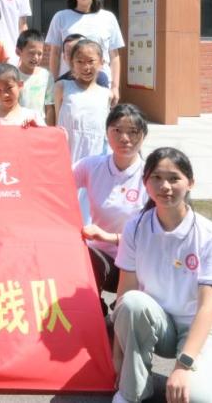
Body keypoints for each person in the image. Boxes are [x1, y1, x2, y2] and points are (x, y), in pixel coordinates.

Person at [113, 148, 212, 403]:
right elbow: (125, 294)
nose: (165, 186)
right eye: (156, 178)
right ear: (145, 182)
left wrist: (183, 366)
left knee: (200, 399)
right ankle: (132, 391)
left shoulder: (211, 235)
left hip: (203, 328)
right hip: (162, 324)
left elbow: (207, 308)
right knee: (133, 302)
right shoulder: (135, 228)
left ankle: (192, 374)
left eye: (174, 178)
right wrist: (118, 355)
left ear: (190, 183)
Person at [74, 103, 149, 316]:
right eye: (117, 130)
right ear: (107, 133)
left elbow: (152, 234)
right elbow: (56, 184)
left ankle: (123, 312)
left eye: (133, 131)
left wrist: (108, 237)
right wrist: (44, 136)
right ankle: (94, 311)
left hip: (138, 263)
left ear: (143, 136)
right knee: (82, 258)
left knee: (127, 314)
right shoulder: (90, 166)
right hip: (101, 258)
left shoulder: (151, 176)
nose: (125, 138)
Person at [46, 0, 125, 104]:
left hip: (100, 82)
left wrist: (115, 87)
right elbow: (55, 54)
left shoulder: (108, 17)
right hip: (69, 84)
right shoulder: (61, 17)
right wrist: (53, 84)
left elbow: (114, 56)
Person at [55, 38, 112, 164]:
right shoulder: (62, 87)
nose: (86, 67)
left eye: (91, 61)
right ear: (72, 63)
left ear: (101, 62)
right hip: (67, 156)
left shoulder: (107, 95)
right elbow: (56, 120)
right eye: (80, 61)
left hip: (95, 159)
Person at [0, 63, 44, 129]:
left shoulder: (32, 117)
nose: (5, 95)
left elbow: (45, 136)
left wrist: (36, 129)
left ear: (20, 85)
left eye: (9, 88)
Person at [16, 29, 56, 127]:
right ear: (18, 51)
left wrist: (49, 130)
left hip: (39, 126)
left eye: (39, 53)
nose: (36, 57)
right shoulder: (12, 75)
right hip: (18, 125)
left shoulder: (46, 76)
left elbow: (49, 107)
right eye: (31, 53)